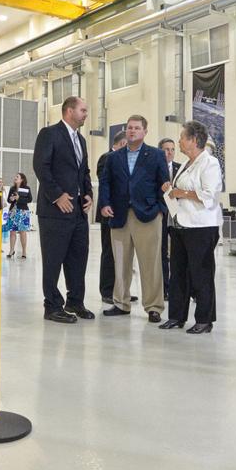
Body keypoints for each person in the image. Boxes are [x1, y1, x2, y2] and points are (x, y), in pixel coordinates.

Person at [99, 115, 171, 323]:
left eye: (137, 128)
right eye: (129, 128)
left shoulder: (156, 155)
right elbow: (105, 183)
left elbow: (164, 183)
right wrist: (104, 204)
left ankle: (154, 307)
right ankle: (121, 303)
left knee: (150, 263)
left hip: (148, 215)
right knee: (120, 262)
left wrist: (159, 209)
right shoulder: (113, 158)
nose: (132, 131)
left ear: (145, 132)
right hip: (119, 216)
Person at [32, 97, 95, 324]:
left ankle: (75, 302)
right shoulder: (49, 134)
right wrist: (57, 195)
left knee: (78, 258)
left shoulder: (81, 140)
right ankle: (52, 306)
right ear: (69, 111)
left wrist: (88, 194)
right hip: (54, 210)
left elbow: (84, 171)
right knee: (53, 259)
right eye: (83, 110)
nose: (86, 114)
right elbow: (41, 166)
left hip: (77, 210)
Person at [160, 120, 223, 333]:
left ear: (194, 140)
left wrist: (181, 193)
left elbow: (209, 195)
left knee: (201, 274)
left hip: (201, 226)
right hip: (180, 224)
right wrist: (171, 188)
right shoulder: (186, 163)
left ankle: (204, 320)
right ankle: (176, 316)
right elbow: (179, 190)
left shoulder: (209, 163)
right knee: (177, 273)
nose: (178, 141)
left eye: (182, 137)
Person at [96, 131, 134, 305]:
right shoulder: (107, 158)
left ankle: (122, 291)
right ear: (120, 143)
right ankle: (107, 290)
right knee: (110, 252)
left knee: (124, 255)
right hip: (110, 213)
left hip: (125, 213)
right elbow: (108, 184)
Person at [158, 137, 181, 301]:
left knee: (180, 251)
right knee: (162, 253)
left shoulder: (180, 168)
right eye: (166, 149)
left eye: (172, 149)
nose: (170, 152)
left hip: (178, 213)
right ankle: (165, 288)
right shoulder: (155, 168)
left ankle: (183, 287)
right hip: (160, 213)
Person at [5, 171, 32, 259]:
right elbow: (9, 200)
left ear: (22, 179)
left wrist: (19, 198)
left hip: (23, 212)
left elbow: (29, 199)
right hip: (13, 211)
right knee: (12, 231)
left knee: (22, 232)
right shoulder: (12, 188)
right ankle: (11, 250)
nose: (15, 178)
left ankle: (24, 252)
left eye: (17, 177)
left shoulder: (26, 188)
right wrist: (11, 199)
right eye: (15, 176)